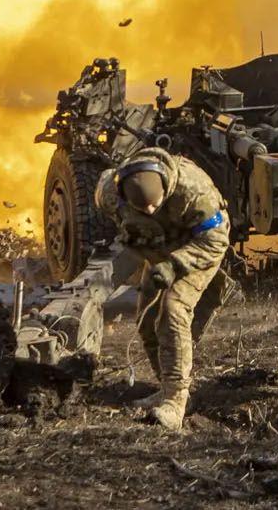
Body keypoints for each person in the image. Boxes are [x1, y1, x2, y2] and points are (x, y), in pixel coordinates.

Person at [95, 146, 232, 429]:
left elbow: (216, 240)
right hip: (160, 251)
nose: (149, 211)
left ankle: (176, 401)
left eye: (154, 206)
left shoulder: (194, 191)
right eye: (141, 209)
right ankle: (165, 387)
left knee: (172, 311)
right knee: (146, 320)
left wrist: (174, 265)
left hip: (197, 250)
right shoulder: (109, 193)